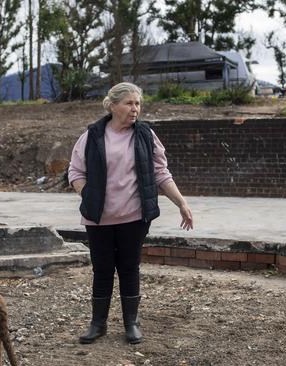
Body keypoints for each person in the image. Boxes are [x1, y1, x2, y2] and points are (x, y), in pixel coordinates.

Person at [68, 82, 194, 345]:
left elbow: (161, 173)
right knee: (102, 270)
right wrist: (87, 195)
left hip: (134, 218)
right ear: (112, 105)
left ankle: (131, 324)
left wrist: (181, 203)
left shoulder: (146, 136)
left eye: (137, 103)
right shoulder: (92, 136)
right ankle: (97, 324)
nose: (135, 109)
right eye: (129, 103)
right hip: (98, 218)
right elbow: (75, 173)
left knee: (129, 268)